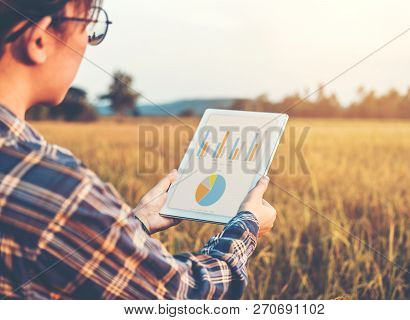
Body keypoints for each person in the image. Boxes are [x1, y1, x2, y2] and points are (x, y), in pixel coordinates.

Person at [0, 0, 277, 299]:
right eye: (89, 28)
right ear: (39, 40)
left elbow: (60, 255)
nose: (88, 44)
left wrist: (138, 222)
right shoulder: (51, 187)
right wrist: (247, 226)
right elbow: (182, 298)